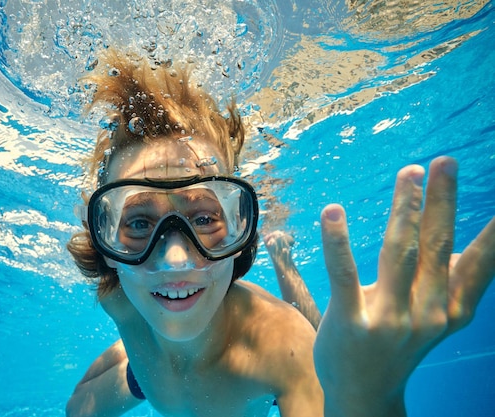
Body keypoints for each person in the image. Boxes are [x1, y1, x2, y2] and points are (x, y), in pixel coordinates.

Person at [65, 50, 495, 417]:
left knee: (315, 336)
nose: (175, 260)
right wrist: (143, 377)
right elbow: (77, 407)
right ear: (106, 243)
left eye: (204, 219)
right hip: (151, 370)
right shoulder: (120, 302)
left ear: (241, 232)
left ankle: (284, 263)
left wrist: (368, 395)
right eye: (140, 223)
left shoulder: (284, 351)